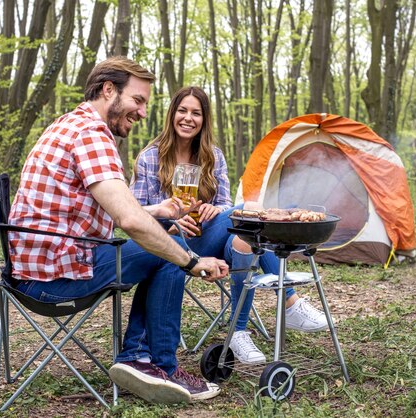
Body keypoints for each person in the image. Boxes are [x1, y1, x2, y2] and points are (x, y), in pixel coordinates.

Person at [7, 57, 229, 405]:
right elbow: (129, 221)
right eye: (137, 101)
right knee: (168, 252)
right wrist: (192, 261)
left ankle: (140, 358)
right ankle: (158, 366)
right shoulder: (93, 135)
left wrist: (158, 210)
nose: (142, 113)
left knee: (163, 245)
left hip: (36, 268)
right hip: (55, 278)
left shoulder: (70, 123)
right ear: (109, 90)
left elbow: (102, 207)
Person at [131, 86, 328, 365]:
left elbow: (224, 203)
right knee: (249, 212)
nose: (188, 118)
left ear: (204, 119)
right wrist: (172, 223)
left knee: (244, 238)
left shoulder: (213, 155)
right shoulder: (150, 157)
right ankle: (290, 302)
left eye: (196, 113)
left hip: (213, 238)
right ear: (172, 114)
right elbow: (135, 212)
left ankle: (238, 333)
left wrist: (216, 208)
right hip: (172, 244)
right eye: (182, 110)